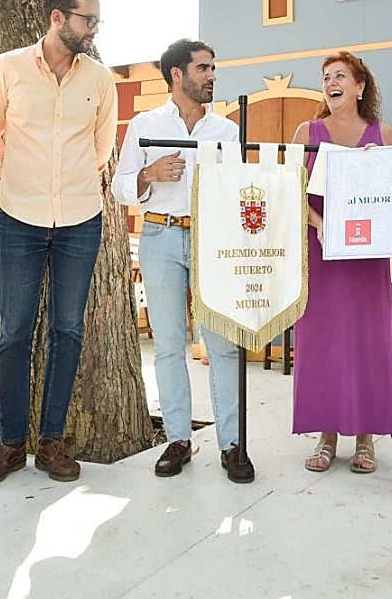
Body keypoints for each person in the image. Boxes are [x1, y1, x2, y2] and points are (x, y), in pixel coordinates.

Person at [0, 0, 118, 489]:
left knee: (68, 330)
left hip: (80, 219)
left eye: (96, 20)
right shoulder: (7, 68)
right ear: (58, 18)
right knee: (14, 331)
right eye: (87, 19)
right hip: (19, 218)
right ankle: (11, 444)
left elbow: (101, 150)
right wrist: (21, 182)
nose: (94, 29)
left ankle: (52, 441)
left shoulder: (99, 78)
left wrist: (66, 185)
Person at [111, 39, 255, 484]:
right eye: (203, 68)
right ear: (177, 74)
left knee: (223, 345)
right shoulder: (145, 124)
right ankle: (178, 440)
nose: (212, 76)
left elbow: (238, 190)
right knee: (169, 344)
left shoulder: (226, 131)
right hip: (160, 235)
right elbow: (119, 186)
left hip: (212, 240)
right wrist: (149, 174)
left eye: (213, 68)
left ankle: (232, 444)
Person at [291, 51, 392, 473]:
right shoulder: (307, 132)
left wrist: (378, 174)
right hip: (320, 250)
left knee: (366, 340)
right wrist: (321, 224)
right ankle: (325, 436)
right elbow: (290, 189)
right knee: (321, 341)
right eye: (325, 77)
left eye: (340, 75)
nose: (331, 83)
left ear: (360, 86)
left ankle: (366, 438)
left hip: (366, 256)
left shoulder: (383, 134)